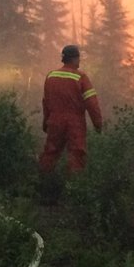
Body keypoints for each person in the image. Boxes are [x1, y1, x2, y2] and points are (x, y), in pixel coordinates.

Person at [39, 44, 103, 176]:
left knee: (50, 153)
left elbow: (46, 102)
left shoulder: (51, 76)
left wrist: (46, 122)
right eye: (78, 58)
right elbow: (92, 104)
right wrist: (98, 124)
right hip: (75, 123)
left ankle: (42, 181)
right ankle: (75, 185)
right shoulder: (81, 77)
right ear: (74, 59)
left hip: (55, 121)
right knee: (76, 155)